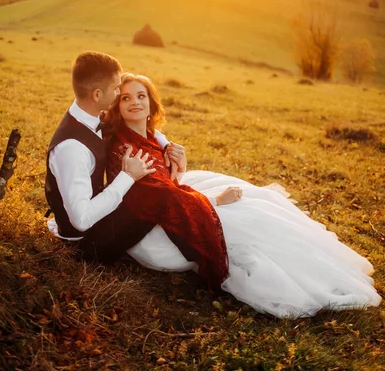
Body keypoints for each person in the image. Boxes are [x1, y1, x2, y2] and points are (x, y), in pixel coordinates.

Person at [105, 72, 382, 319]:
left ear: (152, 103)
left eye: (141, 96)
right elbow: (161, 199)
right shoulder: (128, 148)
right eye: (126, 98)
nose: (135, 103)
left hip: (169, 203)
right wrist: (216, 200)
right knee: (246, 219)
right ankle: (300, 278)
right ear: (117, 106)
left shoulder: (152, 137)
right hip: (156, 229)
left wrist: (178, 163)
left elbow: (166, 180)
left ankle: (312, 264)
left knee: (255, 203)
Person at [46, 51, 169, 262]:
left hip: (99, 219)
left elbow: (127, 124)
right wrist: (128, 177)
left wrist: (166, 144)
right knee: (159, 199)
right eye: (115, 89)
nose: (119, 92)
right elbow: (81, 220)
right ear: (96, 95)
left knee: (153, 193)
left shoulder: (88, 116)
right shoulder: (72, 149)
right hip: (85, 243)